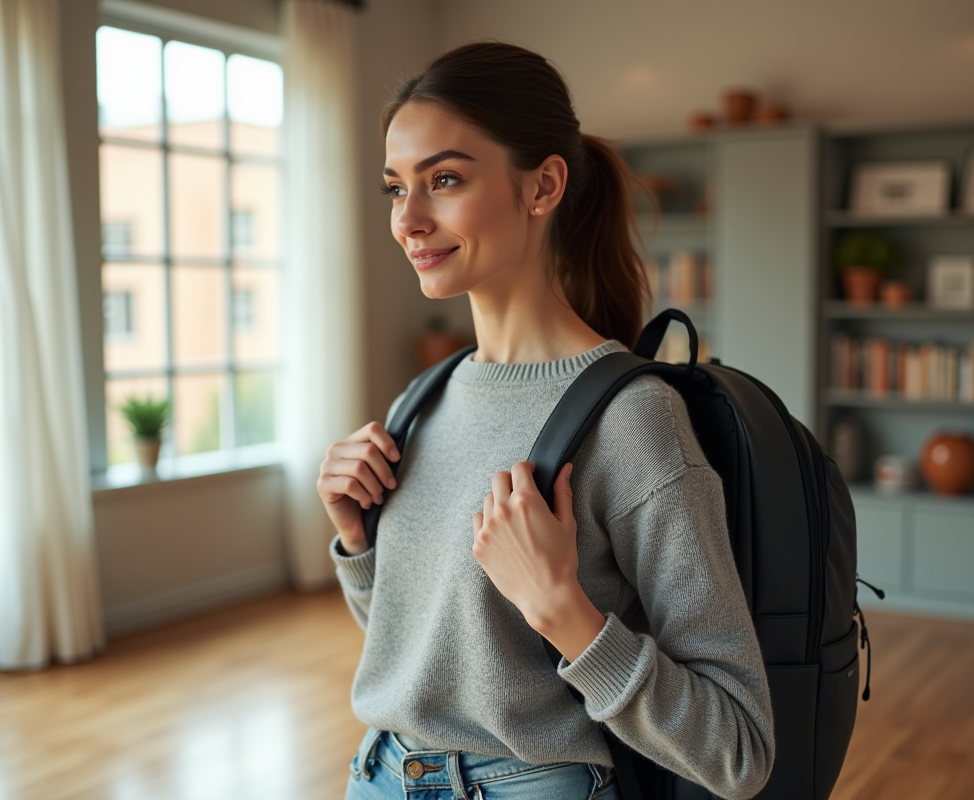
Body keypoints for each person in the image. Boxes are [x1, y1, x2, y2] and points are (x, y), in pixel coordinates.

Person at [317, 41, 775, 800]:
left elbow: (739, 750)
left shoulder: (635, 422)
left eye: (446, 179)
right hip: (379, 775)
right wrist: (360, 543)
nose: (410, 220)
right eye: (396, 187)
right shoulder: (421, 401)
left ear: (543, 186)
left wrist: (563, 611)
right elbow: (438, 661)